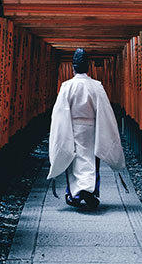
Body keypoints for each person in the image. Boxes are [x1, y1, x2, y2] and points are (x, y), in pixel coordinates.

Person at [47, 48, 125, 210]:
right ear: (87, 67)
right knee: (91, 159)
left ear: (73, 68)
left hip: (72, 127)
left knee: (72, 159)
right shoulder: (96, 86)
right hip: (92, 128)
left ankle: (75, 193)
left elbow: (60, 111)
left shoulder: (67, 86)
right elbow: (104, 110)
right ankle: (90, 190)